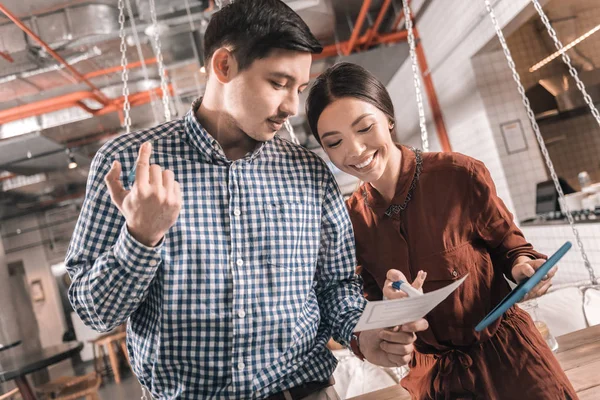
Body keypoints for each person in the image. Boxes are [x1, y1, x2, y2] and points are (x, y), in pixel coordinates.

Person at [65, 2, 427, 399]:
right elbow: (94, 312)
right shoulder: (128, 164)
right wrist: (140, 238)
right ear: (223, 66)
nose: (291, 107)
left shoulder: (309, 173)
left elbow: (336, 288)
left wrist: (365, 333)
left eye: (300, 89)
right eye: (278, 83)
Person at [305, 62, 578, 400]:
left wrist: (525, 267)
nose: (355, 151)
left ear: (388, 118)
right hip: (436, 381)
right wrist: (390, 311)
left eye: (364, 128)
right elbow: (366, 304)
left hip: (512, 363)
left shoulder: (458, 174)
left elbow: (512, 248)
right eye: (334, 143)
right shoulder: (349, 221)